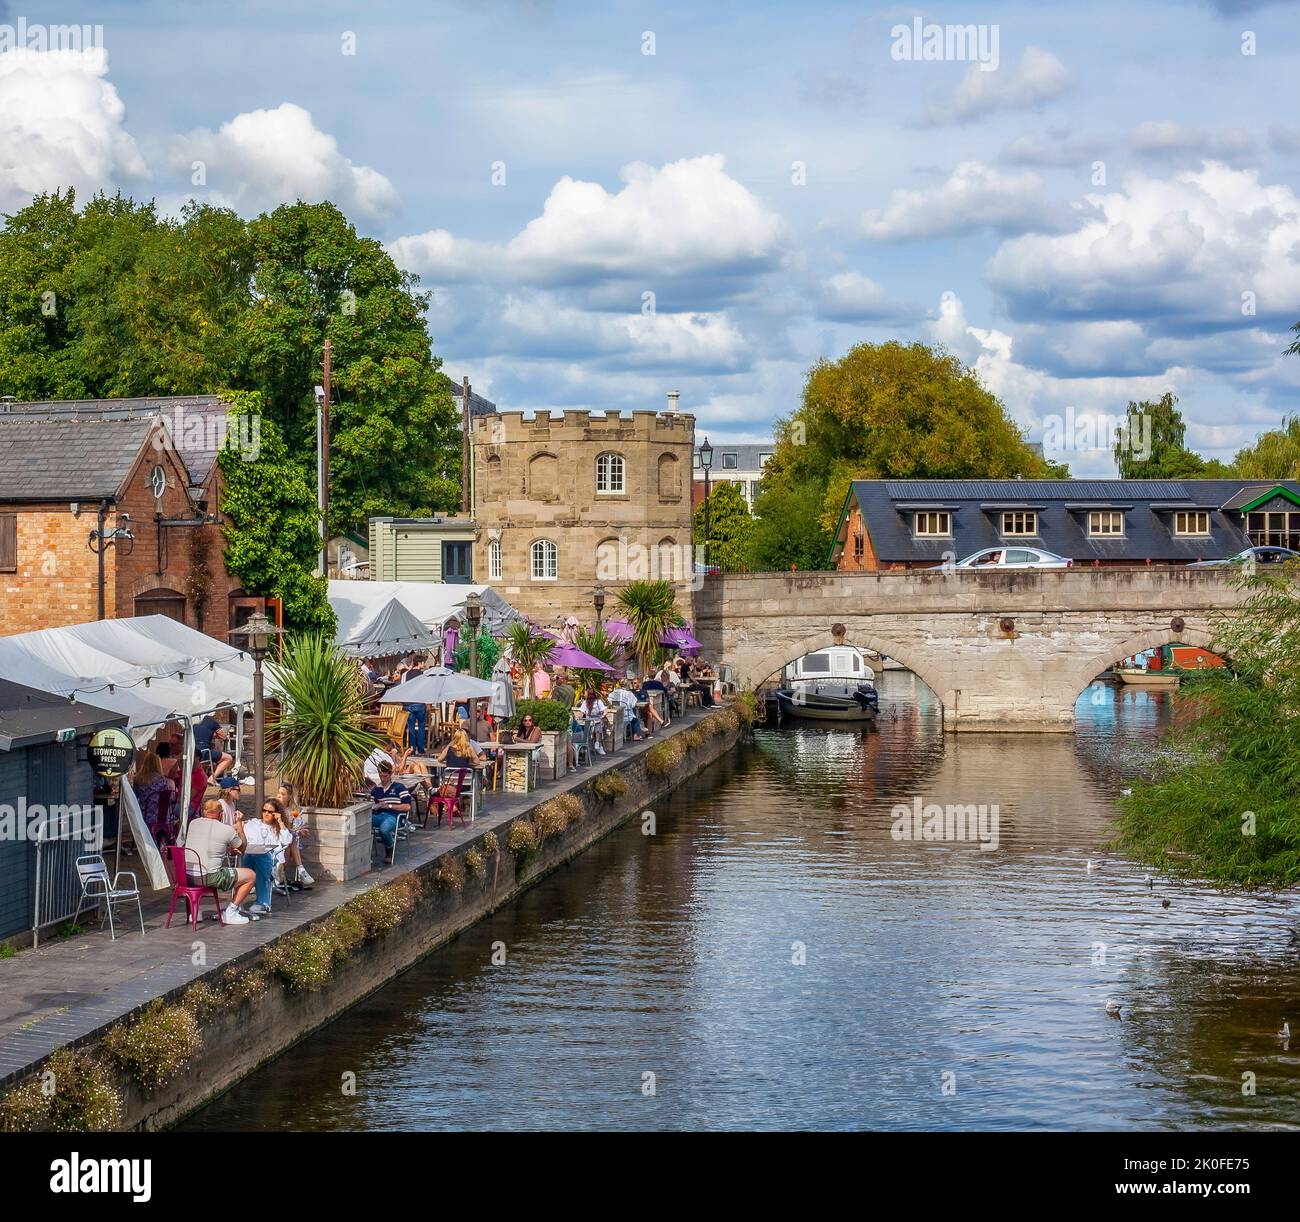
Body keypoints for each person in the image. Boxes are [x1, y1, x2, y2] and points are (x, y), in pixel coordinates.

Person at [180, 798, 254, 924]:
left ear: (204, 812)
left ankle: (195, 912)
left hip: (186, 875)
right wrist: (240, 825)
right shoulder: (226, 830)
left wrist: (225, 849)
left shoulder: (193, 823)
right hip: (209, 877)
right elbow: (242, 847)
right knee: (250, 875)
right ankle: (231, 912)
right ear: (221, 814)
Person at [369, 762, 411, 866]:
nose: (383, 779)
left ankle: (389, 849)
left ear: (390, 774)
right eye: (381, 776)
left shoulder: (399, 788)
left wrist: (389, 806)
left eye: (385, 776)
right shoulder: (376, 790)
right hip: (378, 815)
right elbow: (371, 805)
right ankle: (365, 854)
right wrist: (373, 806)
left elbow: (407, 806)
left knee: (384, 829)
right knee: (363, 825)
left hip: (394, 816)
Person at [275, 782, 314, 890]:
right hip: (275, 838)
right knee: (290, 839)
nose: (279, 796)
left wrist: (297, 831)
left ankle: (279, 875)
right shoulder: (273, 807)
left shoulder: (294, 810)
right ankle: (301, 869)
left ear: (289, 797)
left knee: (290, 840)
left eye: (283, 794)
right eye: (278, 793)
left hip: (288, 840)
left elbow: (298, 825)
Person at [193, 714, 233, 780]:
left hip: (193, 752)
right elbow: (224, 736)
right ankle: (211, 779)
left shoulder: (193, 722)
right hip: (204, 752)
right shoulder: (212, 721)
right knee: (228, 758)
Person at [401, 655, 428, 753]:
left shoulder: (405, 674)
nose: (424, 664)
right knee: (421, 726)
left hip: (409, 703)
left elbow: (402, 688)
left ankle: (412, 748)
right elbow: (426, 689)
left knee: (411, 726)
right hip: (420, 702)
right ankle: (421, 748)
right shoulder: (424, 675)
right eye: (423, 662)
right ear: (419, 663)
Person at [577, 689, 609, 755]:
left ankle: (597, 742)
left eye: (585, 693)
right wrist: (580, 716)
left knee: (598, 723)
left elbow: (605, 710)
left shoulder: (598, 702)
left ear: (589, 694)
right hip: (588, 719)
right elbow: (581, 712)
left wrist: (602, 716)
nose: (584, 695)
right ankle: (597, 745)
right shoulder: (585, 702)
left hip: (597, 718)